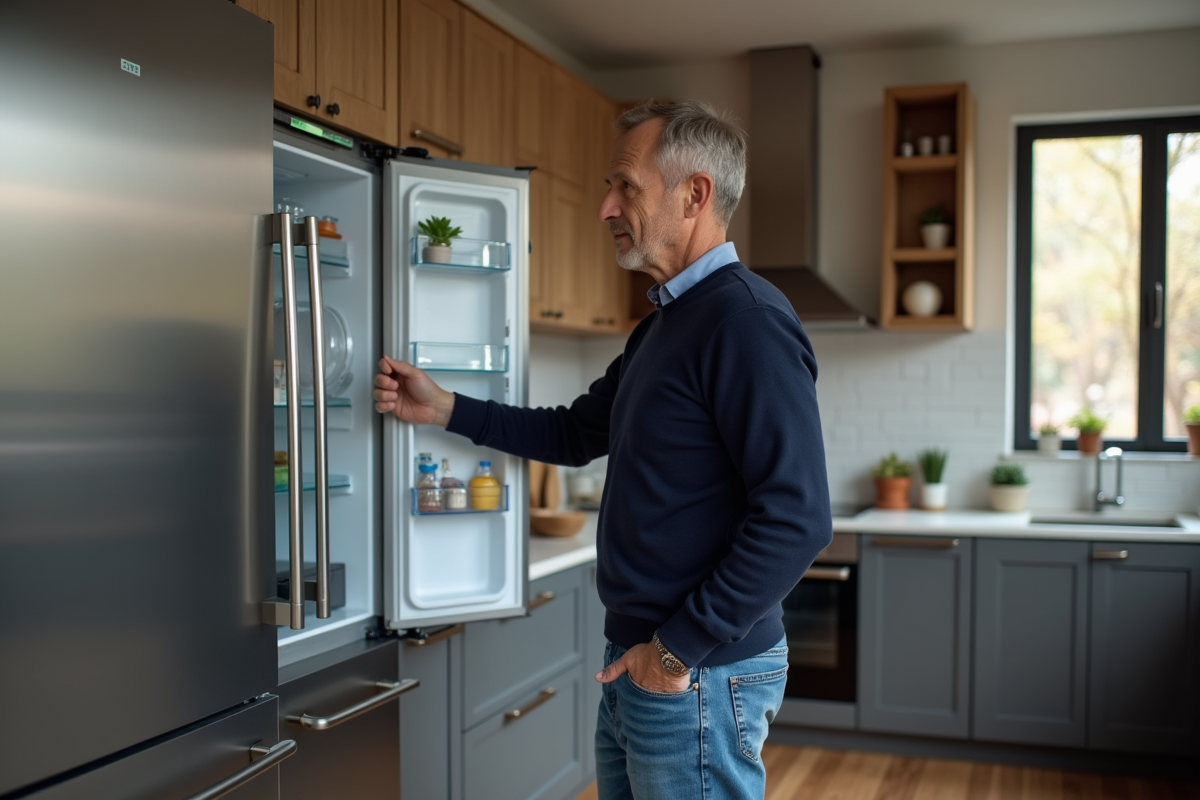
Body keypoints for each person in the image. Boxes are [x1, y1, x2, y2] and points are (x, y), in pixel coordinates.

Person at [374, 100, 832, 800]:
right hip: (646, 659)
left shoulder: (745, 320)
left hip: (694, 669)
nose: (605, 208)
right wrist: (445, 408)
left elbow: (798, 518)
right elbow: (575, 431)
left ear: (694, 195)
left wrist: (677, 650)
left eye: (625, 185)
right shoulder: (662, 326)